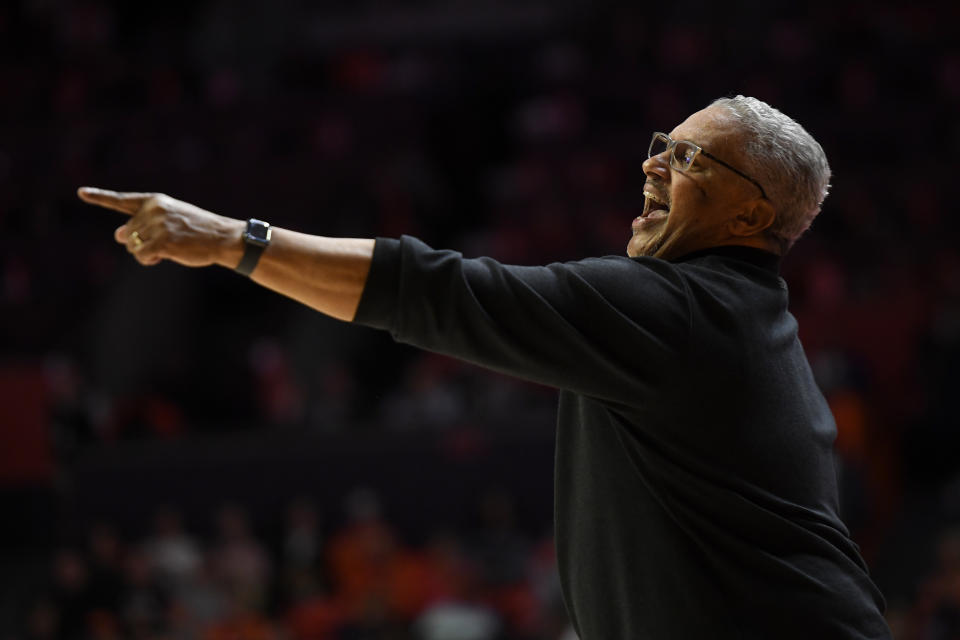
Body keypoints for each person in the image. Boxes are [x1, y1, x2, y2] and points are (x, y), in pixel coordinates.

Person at [78, 95, 892, 639]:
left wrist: (230, 240)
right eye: (663, 148)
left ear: (752, 213)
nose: (653, 166)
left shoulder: (677, 312)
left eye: (689, 162)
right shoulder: (738, 318)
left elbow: (433, 290)